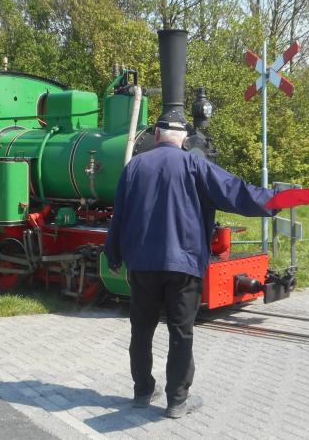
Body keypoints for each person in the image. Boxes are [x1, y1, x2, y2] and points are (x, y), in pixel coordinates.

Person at [104, 111, 277, 419]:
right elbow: (237, 193)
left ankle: (143, 391)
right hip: (183, 264)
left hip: (143, 265)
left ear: (156, 136)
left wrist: (114, 254)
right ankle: (177, 400)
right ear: (184, 139)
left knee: (141, 329)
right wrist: (277, 199)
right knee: (180, 331)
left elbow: (119, 217)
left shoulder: (134, 167)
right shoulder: (196, 164)